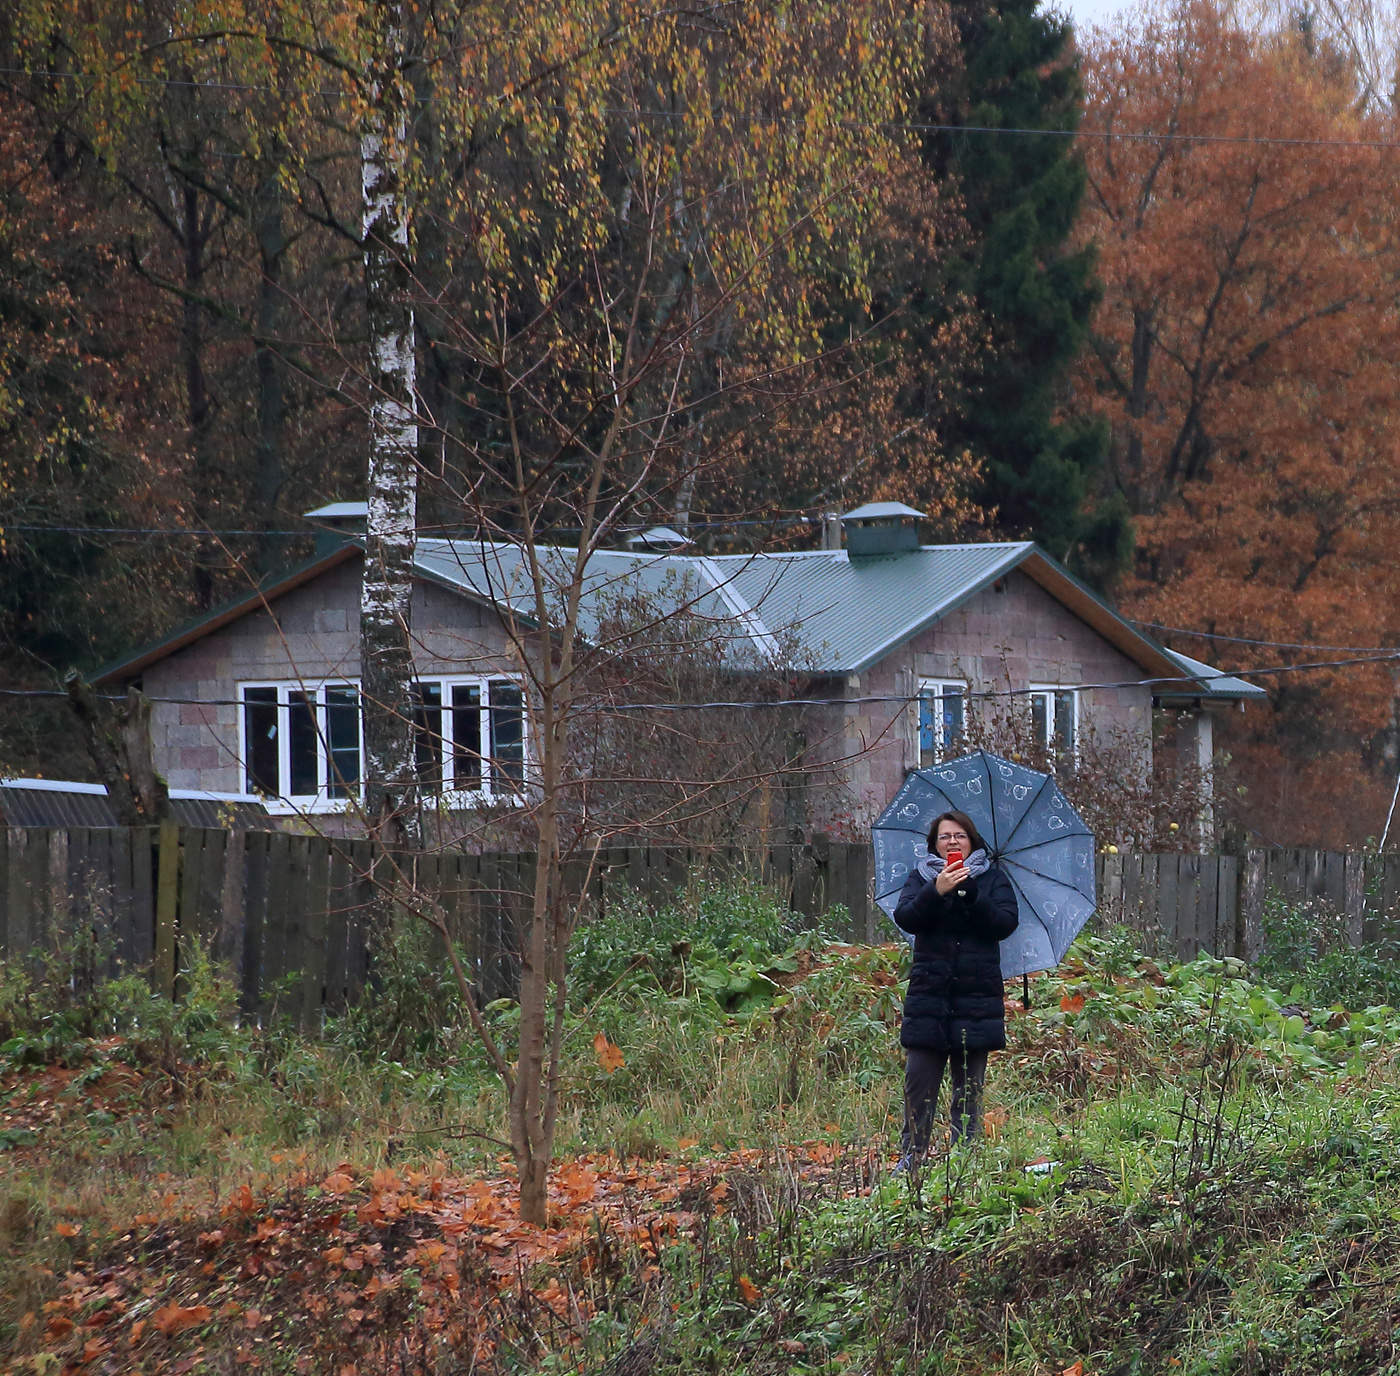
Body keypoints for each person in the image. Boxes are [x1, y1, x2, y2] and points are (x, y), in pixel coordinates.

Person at [893, 808, 1019, 1164]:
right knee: (918, 1086)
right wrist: (936, 891)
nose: (952, 842)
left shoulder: (992, 880)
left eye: (959, 836)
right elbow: (906, 918)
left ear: (972, 841)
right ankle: (912, 1158)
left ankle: (964, 1162)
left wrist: (971, 893)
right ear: (934, 845)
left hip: (976, 1001)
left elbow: (1004, 924)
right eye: (945, 837)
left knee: (969, 1092)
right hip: (929, 1000)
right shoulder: (920, 879)